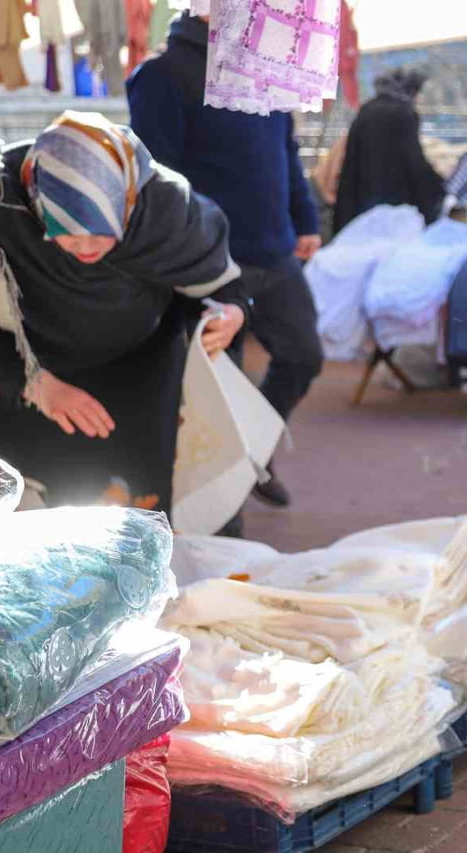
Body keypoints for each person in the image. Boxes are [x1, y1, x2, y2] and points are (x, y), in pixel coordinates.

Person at [0, 111, 246, 512]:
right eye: (66, 233)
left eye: (103, 233)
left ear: (128, 204)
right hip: (35, 370)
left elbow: (222, 285)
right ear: (37, 206)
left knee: (141, 508)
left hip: (144, 367)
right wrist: (35, 385)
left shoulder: (164, 206)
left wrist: (232, 313)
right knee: (49, 515)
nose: (86, 248)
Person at [127, 10, 325, 509]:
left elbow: (287, 151)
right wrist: (186, 256)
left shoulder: (264, 67)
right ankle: (223, 511)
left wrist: (305, 218)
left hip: (275, 249)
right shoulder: (160, 75)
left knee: (303, 355)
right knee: (217, 389)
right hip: (211, 261)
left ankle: (255, 452)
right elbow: (159, 179)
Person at [333, 67, 447, 234]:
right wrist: (437, 184)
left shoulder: (367, 108)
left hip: (363, 195)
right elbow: (413, 159)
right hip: (395, 199)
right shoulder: (403, 112)